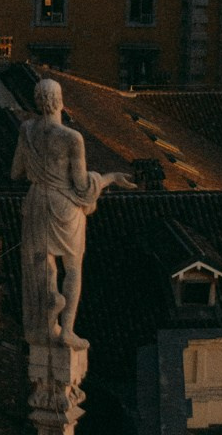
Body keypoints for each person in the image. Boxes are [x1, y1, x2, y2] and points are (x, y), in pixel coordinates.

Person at [11, 77, 133, 347]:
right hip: (64, 205)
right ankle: (66, 329)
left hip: (36, 201)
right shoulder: (71, 138)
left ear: (37, 100)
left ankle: (49, 302)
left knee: (43, 260)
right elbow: (81, 184)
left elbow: (15, 172)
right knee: (73, 266)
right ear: (60, 101)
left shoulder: (26, 130)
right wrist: (109, 177)